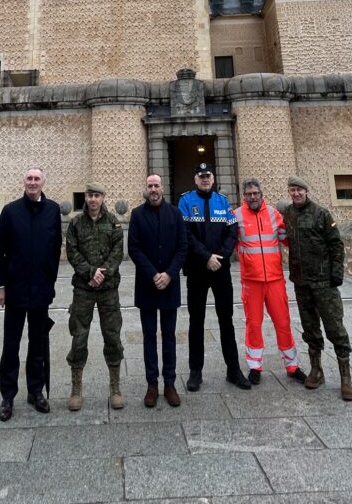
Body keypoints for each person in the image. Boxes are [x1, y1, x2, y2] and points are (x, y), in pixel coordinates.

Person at [0, 167, 62, 420]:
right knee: (11, 345)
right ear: (24, 182)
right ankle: (7, 396)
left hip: (41, 290)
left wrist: (50, 280)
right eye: (29, 179)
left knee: (38, 345)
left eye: (37, 179)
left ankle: (36, 391)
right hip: (15, 290)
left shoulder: (53, 210)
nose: (33, 183)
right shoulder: (11, 211)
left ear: (44, 182)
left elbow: (55, 249)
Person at [282, 175, 352, 401]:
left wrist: (337, 274)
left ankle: (345, 377)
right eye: (292, 190)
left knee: (335, 327)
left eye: (299, 190)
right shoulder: (288, 214)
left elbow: (336, 244)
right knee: (310, 328)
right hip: (301, 282)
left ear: (306, 191)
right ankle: (316, 369)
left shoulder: (321, 214)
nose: (296, 194)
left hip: (323, 282)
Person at [178, 162, 249, 391]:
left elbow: (232, 232)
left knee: (226, 320)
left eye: (208, 176)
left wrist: (221, 257)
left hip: (221, 270)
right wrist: (206, 256)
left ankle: (233, 370)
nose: (205, 179)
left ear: (213, 179)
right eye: (201, 176)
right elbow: (185, 235)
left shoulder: (223, 201)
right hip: (197, 270)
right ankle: (195, 372)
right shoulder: (186, 201)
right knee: (196, 322)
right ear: (196, 179)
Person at [234, 177, 306, 385]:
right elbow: (228, 242)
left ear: (261, 194)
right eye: (249, 194)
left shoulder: (275, 214)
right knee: (253, 324)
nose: (253, 197)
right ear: (244, 196)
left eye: (256, 193)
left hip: (275, 279)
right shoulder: (236, 216)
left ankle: (292, 365)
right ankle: (255, 366)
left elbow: (288, 239)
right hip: (251, 281)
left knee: (283, 322)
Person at [128, 174, 187, 407]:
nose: (153, 189)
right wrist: (153, 274)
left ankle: (170, 383)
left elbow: (182, 247)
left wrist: (170, 273)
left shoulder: (175, 213)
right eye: (150, 186)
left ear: (163, 187)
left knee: (170, 336)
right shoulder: (137, 214)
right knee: (149, 336)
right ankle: (152, 383)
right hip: (147, 284)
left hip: (169, 285)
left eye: (157, 185)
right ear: (146, 189)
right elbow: (134, 248)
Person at [65, 181, 125, 411]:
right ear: (85, 197)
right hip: (83, 289)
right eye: (89, 195)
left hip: (108, 290)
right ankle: (76, 389)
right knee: (79, 337)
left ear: (102, 198)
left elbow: (117, 252)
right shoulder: (76, 223)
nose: (92, 199)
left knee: (112, 337)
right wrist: (90, 272)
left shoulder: (113, 223)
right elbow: (71, 250)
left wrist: (103, 273)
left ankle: (115, 388)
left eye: (97, 195)